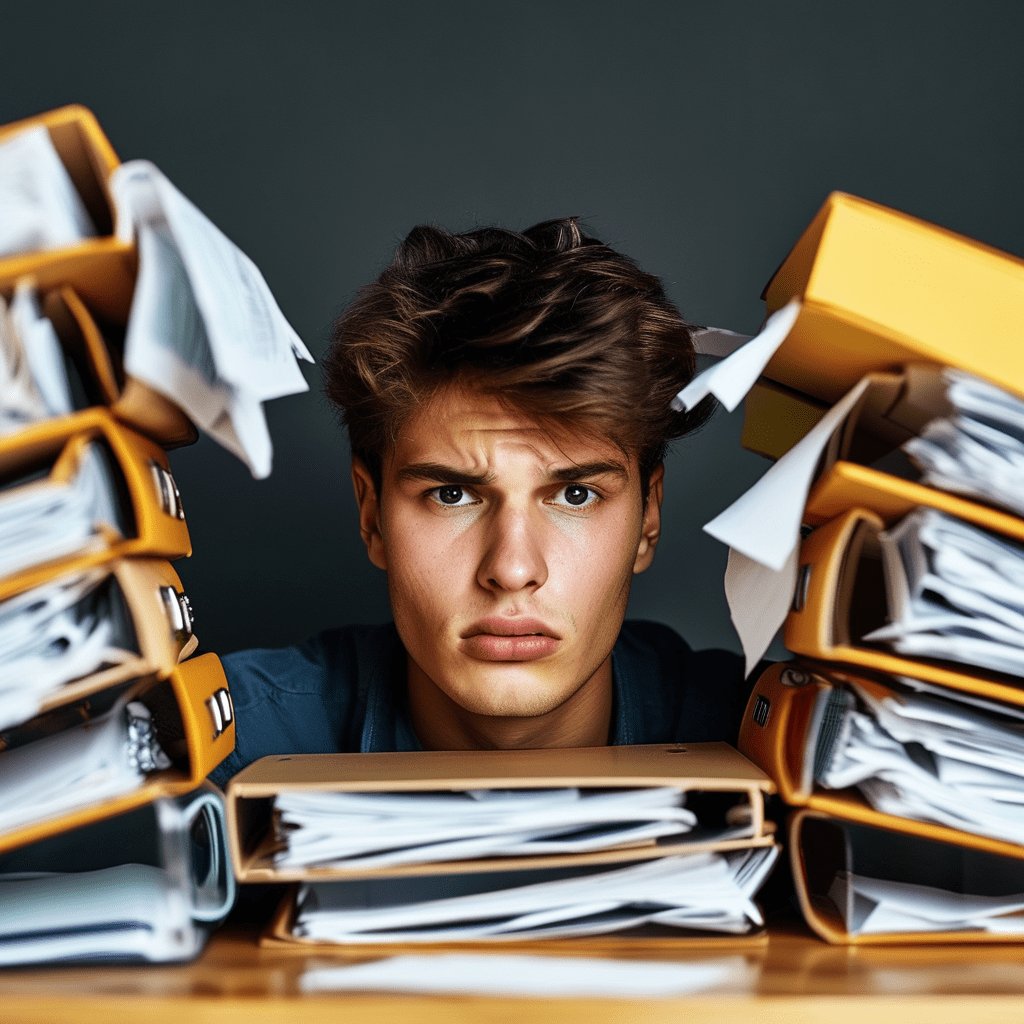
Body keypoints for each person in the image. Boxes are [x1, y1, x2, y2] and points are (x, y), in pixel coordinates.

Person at [209, 217, 751, 786]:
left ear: (648, 518)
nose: (513, 569)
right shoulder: (228, 749)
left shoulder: (773, 744)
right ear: (372, 517)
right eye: (452, 494)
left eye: (575, 494)